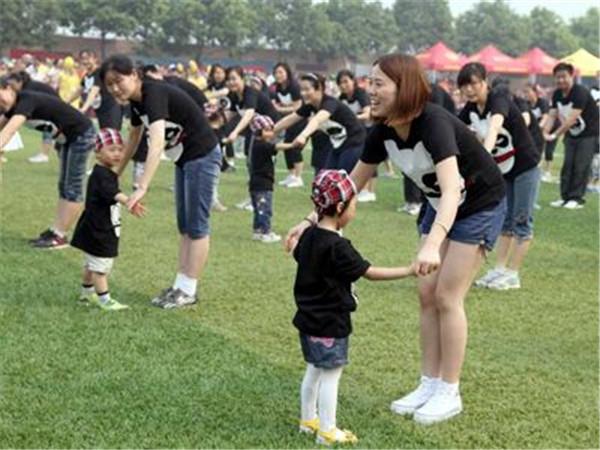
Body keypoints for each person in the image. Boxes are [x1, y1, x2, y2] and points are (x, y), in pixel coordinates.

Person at [286, 54, 506, 425]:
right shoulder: (383, 130)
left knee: (447, 295)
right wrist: (309, 220)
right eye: (369, 82)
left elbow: (453, 190)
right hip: (440, 205)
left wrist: (433, 242)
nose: (369, 90)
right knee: (426, 294)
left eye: (378, 84)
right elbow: (350, 183)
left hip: (478, 202)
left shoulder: (433, 122)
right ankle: (429, 382)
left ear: (403, 87)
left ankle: (449, 391)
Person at [294, 170, 415, 445]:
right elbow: (370, 272)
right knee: (331, 375)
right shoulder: (339, 247)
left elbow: (301, 255)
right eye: (354, 205)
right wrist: (408, 270)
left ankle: (307, 420)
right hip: (331, 322)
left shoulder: (308, 237)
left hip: (307, 319)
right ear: (340, 208)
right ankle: (327, 430)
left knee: (314, 369)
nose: (355, 211)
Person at [100, 54, 222, 309]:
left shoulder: (153, 93)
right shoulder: (134, 102)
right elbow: (134, 137)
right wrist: (116, 172)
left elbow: (155, 141)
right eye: (109, 84)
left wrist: (142, 185)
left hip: (202, 154)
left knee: (197, 226)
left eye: (118, 81)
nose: (114, 88)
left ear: (134, 74)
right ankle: (180, 285)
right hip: (184, 158)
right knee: (185, 225)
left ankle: (189, 289)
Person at [457, 64, 540, 291]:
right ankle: (500, 269)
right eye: (465, 85)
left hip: (524, 167)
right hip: (503, 170)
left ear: (485, 81)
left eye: (474, 83)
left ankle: (513, 273)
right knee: (505, 220)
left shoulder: (498, 99)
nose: (470, 89)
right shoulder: (471, 108)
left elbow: (494, 128)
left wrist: (483, 159)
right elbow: (454, 127)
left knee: (522, 220)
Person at [0, 78, 96, 249]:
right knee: (64, 186)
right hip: (67, 138)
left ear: (8, 88)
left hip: (81, 134)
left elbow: (9, 131)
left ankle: (60, 236)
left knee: (72, 186)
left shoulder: (26, 99)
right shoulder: (12, 108)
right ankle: (55, 231)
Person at [71, 128, 145, 311]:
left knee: (91, 263)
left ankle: (87, 293)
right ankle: (105, 300)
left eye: (120, 149)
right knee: (100, 267)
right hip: (99, 230)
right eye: (111, 149)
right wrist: (130, 201)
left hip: (93, 227)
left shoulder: (105, 173)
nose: (117, 154)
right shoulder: (101, 175)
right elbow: (111, 192)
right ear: (98, 153)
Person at [224, 66, 282, 243]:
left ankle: (260, 206)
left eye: (235, 78)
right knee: (252, 165)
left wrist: (235, 132)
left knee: (260, 168)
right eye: (229, 79)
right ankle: (255, 200)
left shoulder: (250, 93)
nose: (232, 82)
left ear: (243, 78)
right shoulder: (234, 96)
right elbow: (230, 114)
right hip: (255, 132)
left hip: (270, 131)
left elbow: (249, 113)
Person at [270, 73, 366, 175]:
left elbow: (317, 119)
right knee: (326, 178)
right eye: (301, 90)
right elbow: (290, 119)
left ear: (319, 88)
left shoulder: (329, 103)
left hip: (354, 142)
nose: (303, 93)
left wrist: (303, 135)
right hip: (338, 143)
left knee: (341, 179)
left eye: (307, 89)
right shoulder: (310, 106)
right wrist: (270, 130)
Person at [543, 62, 599, 209]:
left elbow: (571, 119)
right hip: (571, 134)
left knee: (581, 165)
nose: (561, 80)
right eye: (557, 77)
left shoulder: (580, 92)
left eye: (564, 77)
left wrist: (554, 135)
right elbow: (552, 115)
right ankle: (565, 197)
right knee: (567, 165)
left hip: (589, 134)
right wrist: (544, 132)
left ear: (571, 76)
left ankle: (576, 198)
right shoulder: (556, 94)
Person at [337, 69, 377, 203]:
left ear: (353, 81)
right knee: (361, 160)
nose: (343, 85)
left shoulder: (360, 94)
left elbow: (368, 114)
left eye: (346, 81)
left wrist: (351, 118)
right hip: (357, 131)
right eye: (340, 83)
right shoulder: (342, 98)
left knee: (369, 158)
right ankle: (363, 190)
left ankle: (369, 191)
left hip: (370, 128)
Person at [5, 70, 59, 163]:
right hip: (51, 108)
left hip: (54, 109)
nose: (12, 89)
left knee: (47, 128)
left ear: (20, 82)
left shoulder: (28, 90)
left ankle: (44, 154)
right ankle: (47, 151)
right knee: (51, 130)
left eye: (13, 86)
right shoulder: (29, 86)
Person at [66, 50, 122, 130]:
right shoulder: (87, 76)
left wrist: (84, 108)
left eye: (88, 58)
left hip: (110, 110)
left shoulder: (99, 72)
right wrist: (65, 102)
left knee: (111, 137)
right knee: (104, 137)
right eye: (83, 59)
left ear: (95, 59)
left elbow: (93, 92)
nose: (85, 61)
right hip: (100, 111)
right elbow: (78, 91)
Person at [272, 62, 305, 188]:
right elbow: (282, 104)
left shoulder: (294, 87)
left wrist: (280, 109)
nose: (278, 75)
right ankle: (291, 175)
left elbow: (297, 107)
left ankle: (299, 177)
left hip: (300, 120)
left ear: (287, 73)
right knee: (287, 147)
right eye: (276, 72)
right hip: (289, 121)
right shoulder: (279, 88)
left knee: (295, 147)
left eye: (281, 72)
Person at [524, 83, 554, 181]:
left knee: (547, 150)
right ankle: (534, 169)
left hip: (546, 129)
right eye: (525, 92)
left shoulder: (542, 102)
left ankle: (547, 171)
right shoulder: (526, 104)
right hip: (532, 131)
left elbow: (546, 117)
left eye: (528, 92)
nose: (526, 94)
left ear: (535, 93)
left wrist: (539, 128)